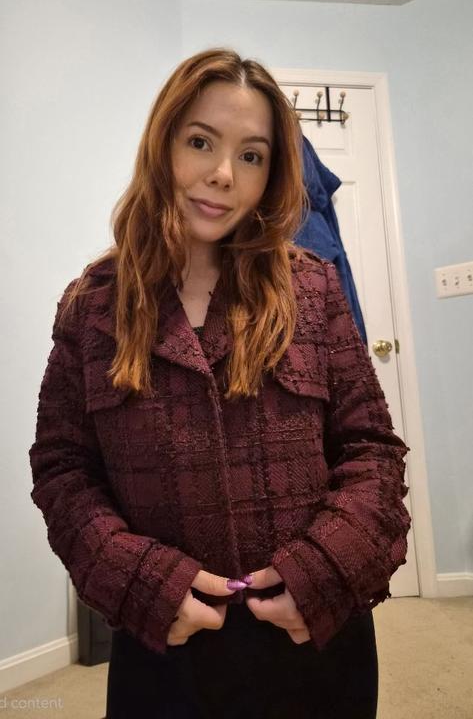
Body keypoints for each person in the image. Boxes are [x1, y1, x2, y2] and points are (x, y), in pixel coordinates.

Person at [28, 47, 412, 718]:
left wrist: (324, 570)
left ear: (271, 174)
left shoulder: (311, 287)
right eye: (201, 142)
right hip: (165, 648)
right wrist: (140, 581)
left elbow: (371, 450)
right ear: (163, 145)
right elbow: (63, 467)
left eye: (251, 155)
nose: (223, 174)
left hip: (315, 637)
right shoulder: (93, 304)